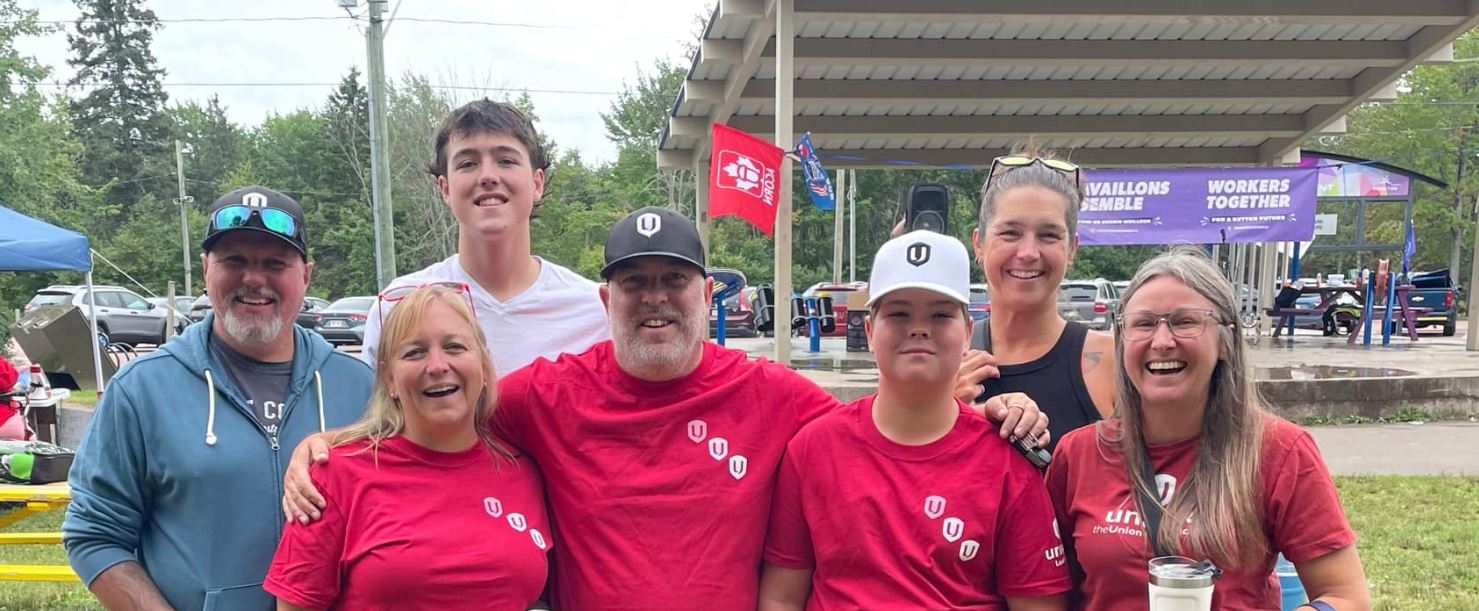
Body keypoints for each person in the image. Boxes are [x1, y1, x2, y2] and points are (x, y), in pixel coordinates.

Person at [285, 206, 1050, 610]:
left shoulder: (776, 397)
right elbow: (437, 413)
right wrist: (328, 445)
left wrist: (972, 406)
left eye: (673, 280)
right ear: (604, 297)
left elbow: (883, 421)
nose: (654, 299)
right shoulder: (544, 395)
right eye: (634, 281)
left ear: (706, 293)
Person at [63, 186, 374, 610]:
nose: (254, 279)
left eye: (274, 263)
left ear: (306, 274)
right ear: (206, 267)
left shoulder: (360, 387)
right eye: (235, 261)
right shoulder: (143, 389)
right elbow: (94, 534)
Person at [759, 230, 1070, 610]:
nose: (919, 327)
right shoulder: (813, 449)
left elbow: (1038, 604)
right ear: (870, 331)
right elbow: (781, 597)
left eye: (940, 314)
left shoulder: (1007, 462)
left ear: (969, 332)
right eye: (899, 313)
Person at [1045, 248, 1370, 610]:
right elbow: (1051, 592)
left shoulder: (1279, 450)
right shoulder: (1078, 454)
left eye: (1185, 322)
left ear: (1225, 342)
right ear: (1121, 342)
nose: (1162, 340)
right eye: (1144, 323)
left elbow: (1346, 597)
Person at [265, 284, 549, 610]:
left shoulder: (523, 472)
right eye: (414, 352)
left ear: (484, 368)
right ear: (389, 379)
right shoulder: (336, 475)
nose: (438, 365)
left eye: (455, 347)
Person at [360, 99, 608, 376]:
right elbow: (379, 417)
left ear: (537, 183)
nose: (488, 176)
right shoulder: (398, 305)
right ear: (445, 188)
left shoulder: (596, 311)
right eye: (468, 163)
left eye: (506, 160)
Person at [956, 149, 1117, 451]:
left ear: (1072, 249)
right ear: (978, 243)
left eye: (1048, 235)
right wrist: (941, 412)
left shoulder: (1113, 363)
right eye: (1010, 233)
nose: (1029, 252)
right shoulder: (946, 361)